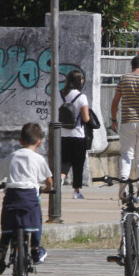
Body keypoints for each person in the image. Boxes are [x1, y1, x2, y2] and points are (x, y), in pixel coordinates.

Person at [0, 122, 54, 274]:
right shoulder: (38, 159)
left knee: (7, 227)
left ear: (20, 141)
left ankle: (1, 251)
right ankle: (35, 248)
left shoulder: (12, 156)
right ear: (39, 142)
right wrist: (48, 189)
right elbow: (49, 180)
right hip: (30, 196)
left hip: (12, 195)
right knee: (37, 219)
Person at [110, 56, 139, 200]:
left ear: (132, 66)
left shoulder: (123, 79)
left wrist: (114, 120)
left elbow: (115, 102)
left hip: (126, 121)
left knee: (126, 154)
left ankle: (123, 189)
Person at [60, 69, 91, 199]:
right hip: (78, 134)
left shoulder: (60, 94)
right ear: (78, 81)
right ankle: (76, 191)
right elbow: (86, 118)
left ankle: (60, 179)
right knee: (78, 163)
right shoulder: (81, 97)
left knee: (65, 161)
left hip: (63, 133)